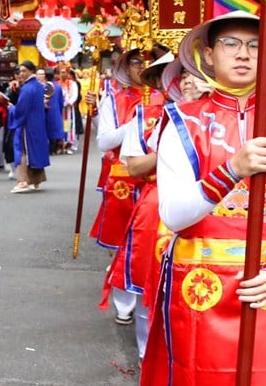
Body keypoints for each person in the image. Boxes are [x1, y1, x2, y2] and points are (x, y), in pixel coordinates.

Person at [143, 11, 266, 385]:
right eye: (231, 44)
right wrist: (232, 169)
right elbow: (173, 215)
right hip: (199, 284)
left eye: (256, 45)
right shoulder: (181, 121)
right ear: (208, 54)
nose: (243, 54)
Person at [101, 52, 180, 358]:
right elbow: (132, 165)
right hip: (150, 198)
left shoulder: (211, 116)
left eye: (187, 74)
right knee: (143, 266)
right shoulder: (144, 115)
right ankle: (149, 351)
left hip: (206, 210)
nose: (181, 83)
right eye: (172, 76)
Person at [90, 47, 165, 325]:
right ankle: (124, 303)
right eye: (136, 62)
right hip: (123, 177)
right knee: (125, 243)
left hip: (159, 181)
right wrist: (136, 124)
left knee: (154, 242)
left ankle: (152, 295)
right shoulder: (115, 99)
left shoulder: (170, 97)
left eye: (149, 62)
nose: (142, 67)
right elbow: (105, 141)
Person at [8, 61, 51, 193]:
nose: (21, 74)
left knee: (22, 150)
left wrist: (12, 109)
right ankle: (36, 180)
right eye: (20, 71)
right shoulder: (38, 86)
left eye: (24, 71)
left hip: (27, 124)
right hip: (37, 123)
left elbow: (21, 109)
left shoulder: (27, 88)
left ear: (32, 71)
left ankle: (22, 181)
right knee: (35, 151)